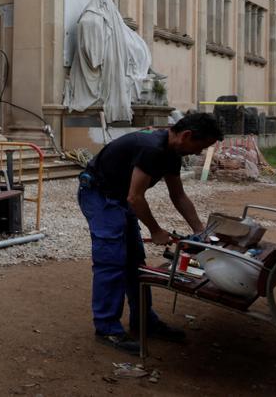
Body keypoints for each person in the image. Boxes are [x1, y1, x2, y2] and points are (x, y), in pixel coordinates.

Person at [77, 112, 223, 353]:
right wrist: (155, 230)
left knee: (135, 261)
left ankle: (144, 320)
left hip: (119, 197)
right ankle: (107, 328)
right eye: (200, 146)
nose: (198, 153)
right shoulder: (152, 148)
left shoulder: (172, 152)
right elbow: (135, 197)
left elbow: (178, 195)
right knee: (111, 261)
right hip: (99, 194)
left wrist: (200, 231)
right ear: (186, 135)